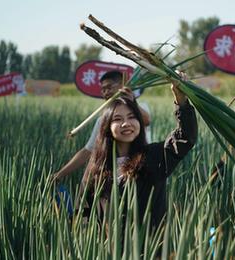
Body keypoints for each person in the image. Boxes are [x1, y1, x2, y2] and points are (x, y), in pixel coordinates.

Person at [80, 73, 197, 228]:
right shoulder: (97, 169)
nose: (126, 123)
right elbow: (85, 216)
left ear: (139, 123)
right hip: (112, 249)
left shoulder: (154, 157)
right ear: (106, 127)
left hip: (150, 248)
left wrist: (180, 100)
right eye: (117, 119)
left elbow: (185, 137)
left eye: (131, 117)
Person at [53, 70, 151, 182]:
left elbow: (146, 121)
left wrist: (132, 102)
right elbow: (88, 151)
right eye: (103, 90)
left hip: (144, 171)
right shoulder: (103, 119)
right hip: (119, 177)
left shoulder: (140, 107)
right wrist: (60, 174)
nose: (106, 92)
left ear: (122, 86)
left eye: (109, 87)